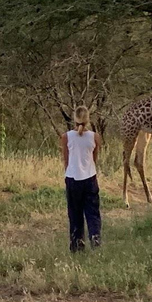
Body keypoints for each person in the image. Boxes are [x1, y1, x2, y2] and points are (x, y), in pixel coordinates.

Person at [60, 106, 102, 252]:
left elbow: (66, 160)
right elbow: (94, 159)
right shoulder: (95, 137)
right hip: (90, 178)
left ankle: (77, 243)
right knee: (92, 212)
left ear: (75, 119)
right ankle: (95, 237)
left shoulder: (66, 137)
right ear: (88, 119)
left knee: (75, 213)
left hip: (72, 178)